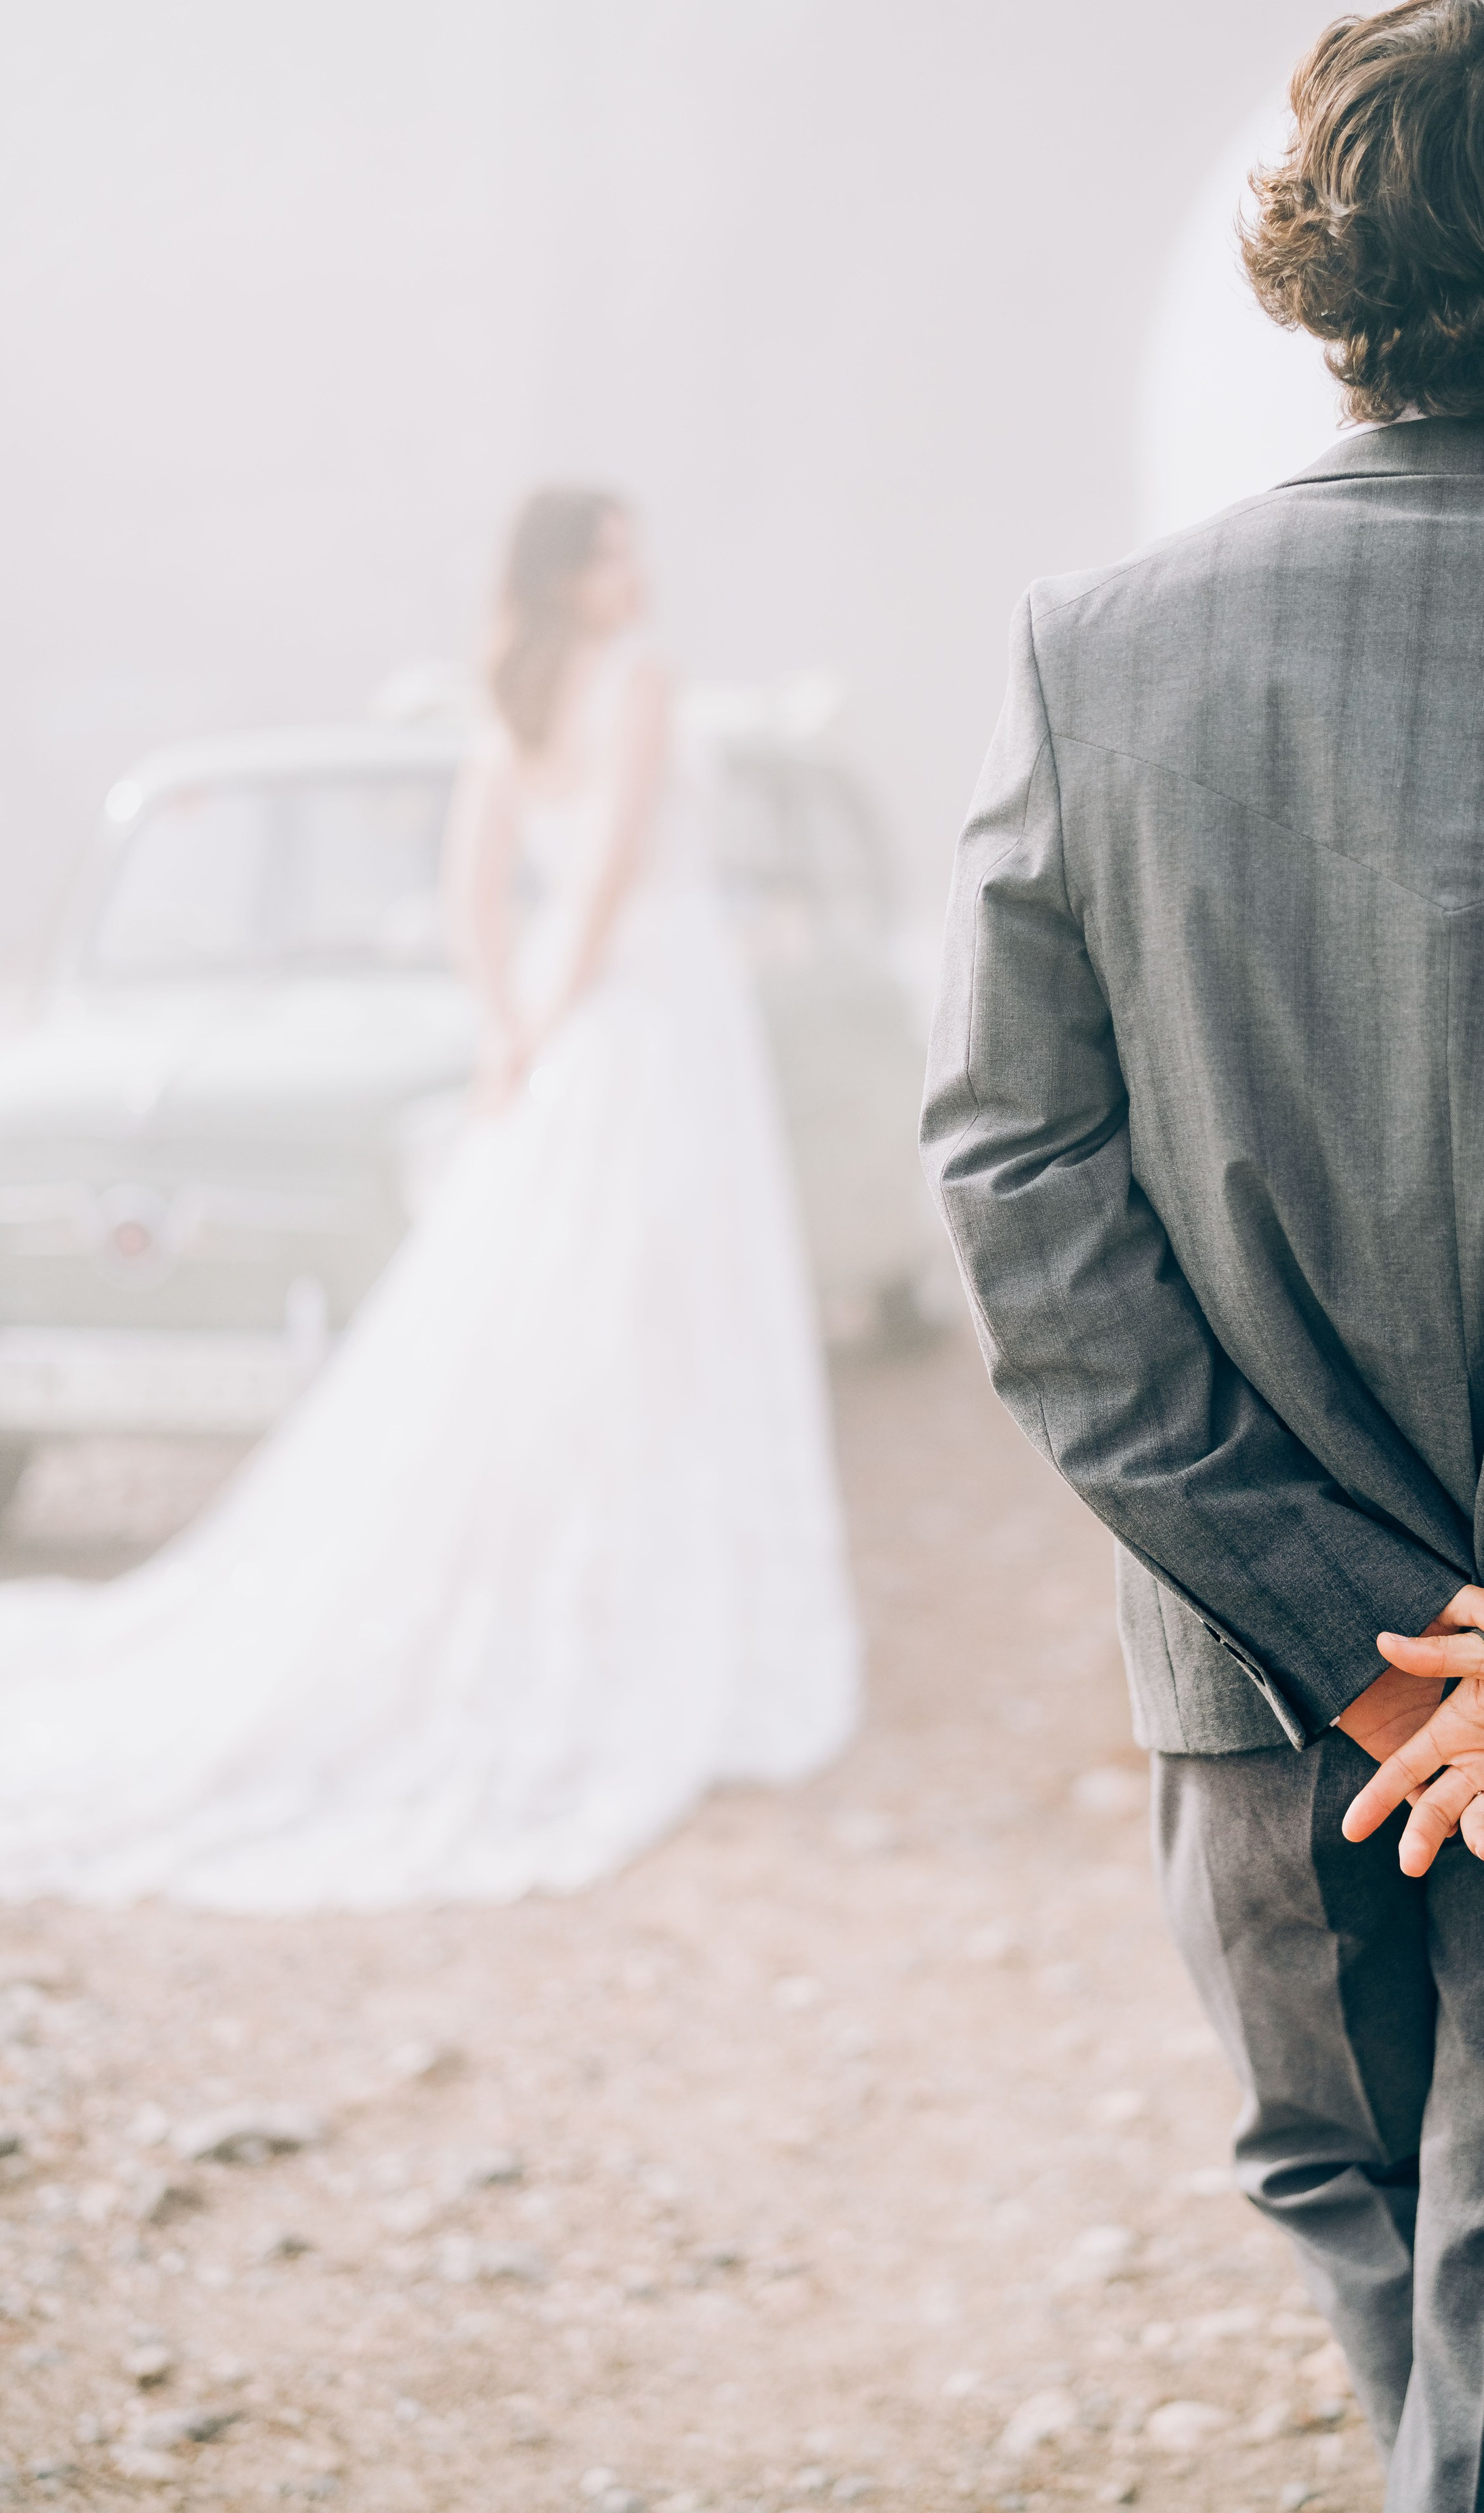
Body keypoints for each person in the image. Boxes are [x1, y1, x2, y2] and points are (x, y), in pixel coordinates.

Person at [922, 0, 1484, 2512]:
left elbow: (1020, 1185)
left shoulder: (1099, 652)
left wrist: (1353, 1629)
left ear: (1316, 260)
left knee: (1350, 2185)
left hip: (1254, 1678)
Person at [0, 488, 859, 1911]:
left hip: (566, 1019)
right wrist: (565, 1005)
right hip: (651, 1017)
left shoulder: (511, 697)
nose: (637, 572)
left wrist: (509, 1018)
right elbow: (607, 871)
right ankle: (645, 1609)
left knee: (571, 1312)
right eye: (616, 552)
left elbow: (476, 883)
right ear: (570, 573)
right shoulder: (637, 683)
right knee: (673, 1308)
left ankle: (608, 1587)